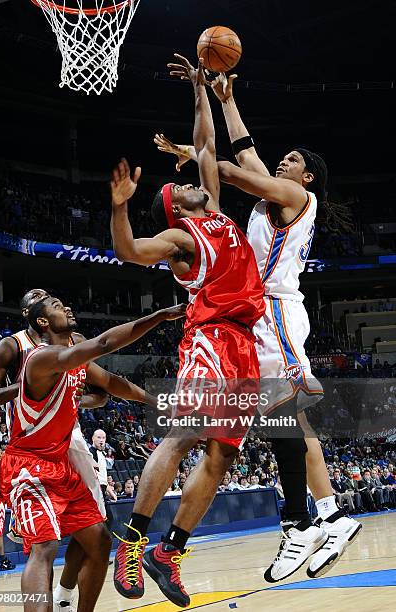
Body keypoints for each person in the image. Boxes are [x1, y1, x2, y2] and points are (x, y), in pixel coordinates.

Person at [156, 70, 361, 582]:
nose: (280, 162)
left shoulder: (296, 199)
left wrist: (198, 154)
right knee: (287, 420)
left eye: (290, 160)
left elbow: (231, 168)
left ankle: (303, 524)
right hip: (257, 313)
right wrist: (228, 100)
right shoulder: (277, 194)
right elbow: (245, 152)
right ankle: (326, 517)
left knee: (281, 416)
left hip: (275, 311)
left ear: (306, 177)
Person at [110, 55, 265, 608]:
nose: (197, 180)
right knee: (183, 436)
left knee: (222, 455)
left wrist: (201, 90)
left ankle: (168, 552)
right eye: (187, 187)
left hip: (245, 344)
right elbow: (128, 251)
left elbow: (203, 146)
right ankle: (131, 542)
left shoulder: (218, 212)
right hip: (211, 338)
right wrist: (120, 210)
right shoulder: (182, 239)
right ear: (176, 206)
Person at [0, 296, 185, 612]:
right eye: (58, 306)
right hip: (27, 466)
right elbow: (103, 343)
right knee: (44, 546)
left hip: (60, 466)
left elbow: (114, 383)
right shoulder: (40, 359)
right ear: (42, 322)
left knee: (100, 543)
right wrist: (157, 316)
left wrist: (158, 404)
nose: (67, 307)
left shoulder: (75, 360)